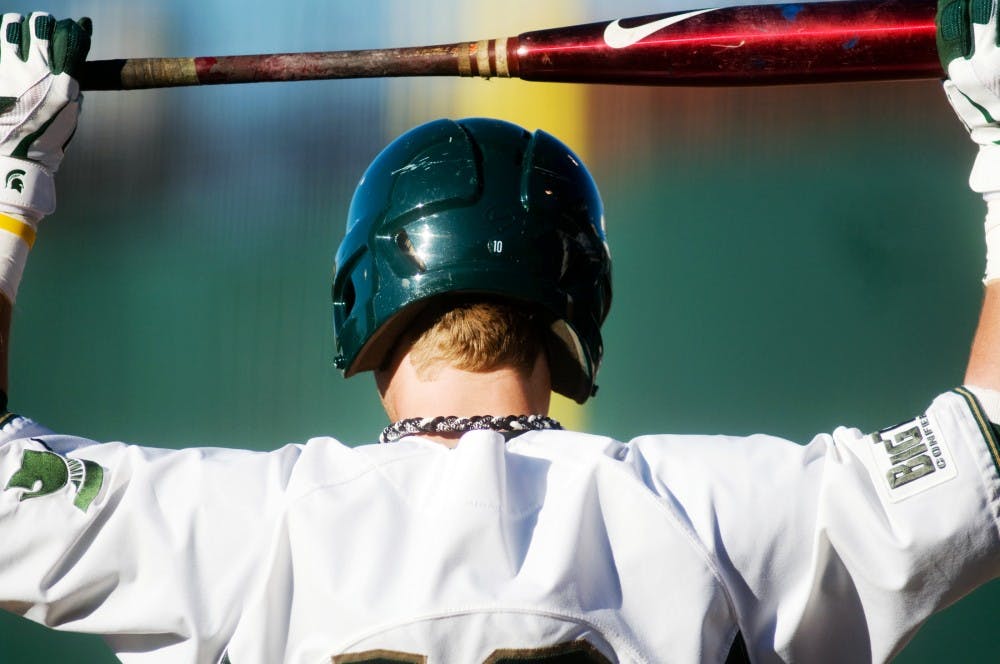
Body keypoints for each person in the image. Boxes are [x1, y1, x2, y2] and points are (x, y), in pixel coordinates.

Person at [1, 4, 999, 663]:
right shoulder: (702, 512)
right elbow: (980, 465)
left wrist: (12, 180)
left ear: (362, 298)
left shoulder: (257, 528)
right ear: (575, 301)